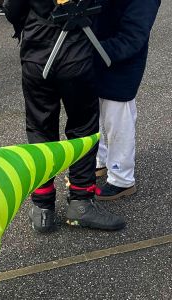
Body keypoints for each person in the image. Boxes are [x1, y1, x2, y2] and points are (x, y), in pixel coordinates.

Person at [3, 0, 125, 232]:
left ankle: (42, 207)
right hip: (77, 54)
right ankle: (80, 202)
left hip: (37, 54)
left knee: (40, 128)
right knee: (83, 128)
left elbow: (13, 10)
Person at [92, 0, 161, 200]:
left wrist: (90, 50)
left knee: (117, 119)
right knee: (92, 111)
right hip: (94, 56)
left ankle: (121, 178)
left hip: (122, 63)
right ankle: (98, 160)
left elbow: (134, 35)